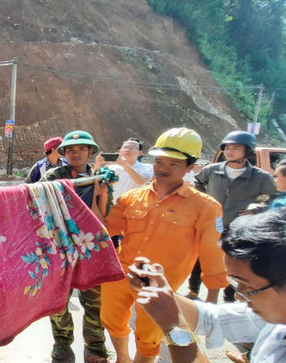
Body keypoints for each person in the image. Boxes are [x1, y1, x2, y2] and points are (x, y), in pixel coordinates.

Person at [101, 127, 228, 363]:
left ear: (190, 167)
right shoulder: (132, 197)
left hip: (160, 285)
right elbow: (107, 229)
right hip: (121, 274)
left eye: (173, 163)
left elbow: (212, 253)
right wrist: (98, 195)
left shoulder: (205, 207)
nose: (163, 168)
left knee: (150, 335)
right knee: (111, 320)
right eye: (159, 161)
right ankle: (122, 358)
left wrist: (212, 301)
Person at [126, 208, 286, 363]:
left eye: (247, 286)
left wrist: (174, 326)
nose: (239, 297)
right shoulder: (276, 317)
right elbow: (211, 318)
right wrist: (158, 289)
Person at [41, 130, 111, 363]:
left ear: (90, 151)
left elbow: (105, 215)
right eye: (71, 149)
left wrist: (101, 190)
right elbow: (38, 205)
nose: (76, 153)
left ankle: (95, 346)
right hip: (61, 247)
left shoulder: (100, 177)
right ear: (64, 153)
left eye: (81, 148)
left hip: (92, 247)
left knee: (94, 300)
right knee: (59, 300)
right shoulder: (53, 176)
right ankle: (62, 343)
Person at [188, 130, 278, 302]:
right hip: (208, 223)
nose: (229, 152)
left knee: (231, 263)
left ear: (247, 152)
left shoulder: (260, 177)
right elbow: (197, 182)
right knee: (200, 259)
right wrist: (202, 200)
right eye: (227, 148)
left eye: (235, 148)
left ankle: (229, 298)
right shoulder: (212, 170)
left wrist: (256, 211)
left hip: (236, 227)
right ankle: (193, 291)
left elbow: (275, 197)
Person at [94, 138, 154, 204]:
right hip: (114, 208)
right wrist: (97, 164)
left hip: (135, 207)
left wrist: (125, 166)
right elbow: (95, 182)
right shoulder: (112, 167)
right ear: (120, 151)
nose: (128, 150)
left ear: (140, 153)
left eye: (132, 148)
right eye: (125, 147)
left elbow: (141, 181)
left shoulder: (146, 167)